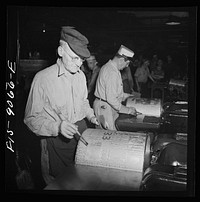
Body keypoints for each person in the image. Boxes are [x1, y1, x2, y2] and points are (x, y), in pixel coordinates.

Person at [24, 26, 99, 184]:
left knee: (81, 180)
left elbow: (83, 102)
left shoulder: (80, 77)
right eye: (74, 58)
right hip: (55, 143)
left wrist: (91, 116)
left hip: (81, 135)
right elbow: (31, 119)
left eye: (82, 60)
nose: (79, 64)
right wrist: (58, 127)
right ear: (60, 51)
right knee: (60, 183)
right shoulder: (43, 79)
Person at [93, 45, 140, 130]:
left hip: (108, 106)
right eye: (127, 63)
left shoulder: (113, 69)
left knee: (114, 132)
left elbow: (114, 92)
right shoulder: (111, 72)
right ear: (121, 60)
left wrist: (127, 96)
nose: (127, 66)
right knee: (109, 136)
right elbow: (111, 98)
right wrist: (128, 110)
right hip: (104, 107)